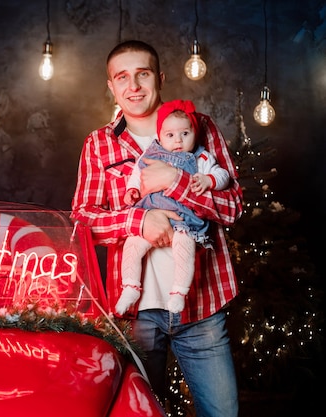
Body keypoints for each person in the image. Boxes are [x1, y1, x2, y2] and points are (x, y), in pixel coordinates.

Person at [71, 40, 243, 417]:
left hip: (201, 308)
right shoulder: (99, 145)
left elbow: (233, 207)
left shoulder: (201, 129)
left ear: (160, 79)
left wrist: (175, 180)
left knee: (223, 412)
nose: (133, 86)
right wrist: (140, 220)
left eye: (143, 74)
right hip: (135, 319)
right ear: (111, 87)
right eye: (122, 77)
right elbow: (81, 219)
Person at [115, 99, 230, 315]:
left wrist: (209, 180)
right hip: (149, 214)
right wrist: (132, 190)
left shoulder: (201, 156)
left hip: (183, 220)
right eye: (170, 135)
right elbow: (137, 174)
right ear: (160, 136)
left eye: (184, 134)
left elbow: (223, 176)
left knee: (183, 246)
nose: (178, 140)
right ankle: (130, 286)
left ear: (194, 134)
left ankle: (179, 291)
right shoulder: (151, 153)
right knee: (132, 245)